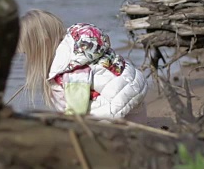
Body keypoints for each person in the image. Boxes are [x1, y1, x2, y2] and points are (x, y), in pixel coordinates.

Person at [17, 9, 148, 120]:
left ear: (43, 43)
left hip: (117, 116)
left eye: (28, 53)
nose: (28, 58)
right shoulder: (80, 48)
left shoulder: (68, 68)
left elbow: (77, 111)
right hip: (135, 106)